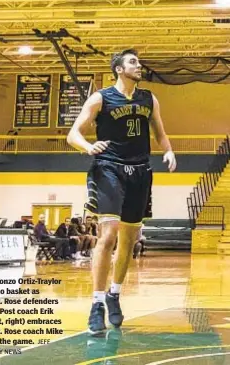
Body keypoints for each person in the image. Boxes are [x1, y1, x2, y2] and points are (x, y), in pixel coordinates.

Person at [67, 49, 176, 335]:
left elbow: (160, 132)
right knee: (109, 233)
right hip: (109, 167)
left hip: (140, 170)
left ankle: (115, 294)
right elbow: (73, 133)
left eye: (138, 62)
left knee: (130, 237)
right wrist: (88, 146)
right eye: (133, 62)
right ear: (118, 69)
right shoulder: (101, 97)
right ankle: (96, 303)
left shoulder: (149, 99)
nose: (139, 66)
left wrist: (168, 151)